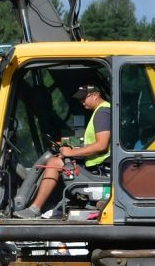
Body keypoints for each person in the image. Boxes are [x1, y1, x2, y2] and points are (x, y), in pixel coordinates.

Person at [14, 83, 113, 218]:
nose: (81, 102)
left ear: (95, 95)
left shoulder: (102, 112)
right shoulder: (102, 111)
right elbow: (94, 143)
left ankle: (34, 209)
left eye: (84, 98)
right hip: (95, 166)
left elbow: (101, 145)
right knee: (59, 160)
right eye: (80, 99)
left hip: (99, 171)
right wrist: (70, 147)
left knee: (54, 162)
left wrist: (71, 153)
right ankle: (56, 208)